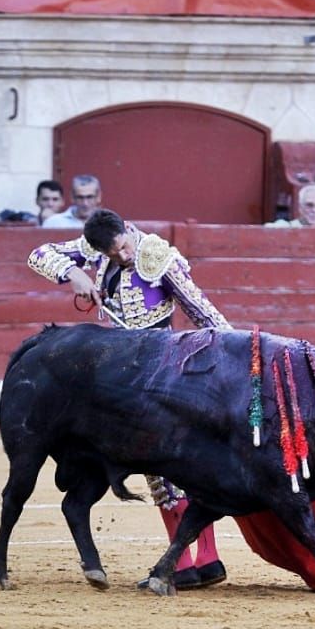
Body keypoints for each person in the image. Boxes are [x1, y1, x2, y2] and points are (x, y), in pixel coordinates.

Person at [27, 208, 230, 590]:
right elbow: (38, 254)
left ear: (127, 232)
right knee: (172, 470)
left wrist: (237, 351)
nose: (121, 256)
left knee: (165, 467)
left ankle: (191, 563)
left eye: (122, 247)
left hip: (163, 369)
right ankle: (203, 562)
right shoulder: (96, 250)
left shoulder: (155, 255)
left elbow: (201, 310)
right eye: (112, 253)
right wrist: (74, 274)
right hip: (131, 373)